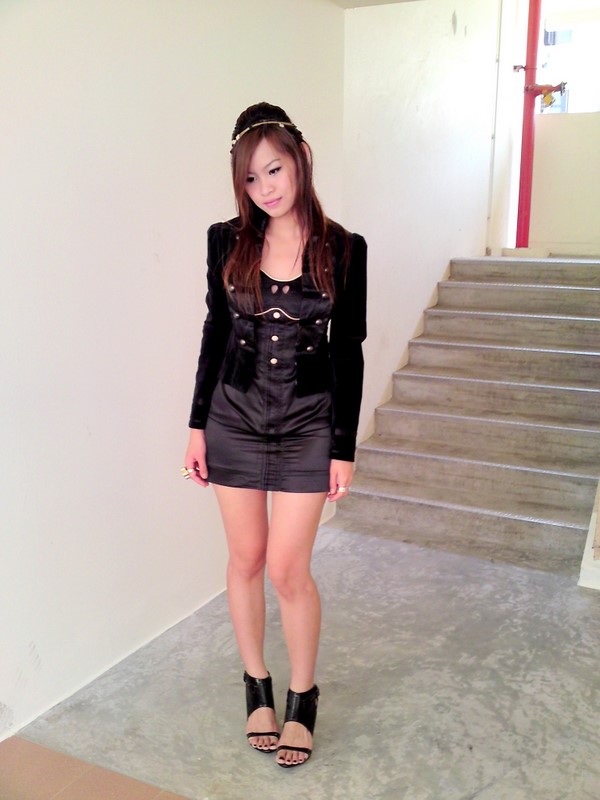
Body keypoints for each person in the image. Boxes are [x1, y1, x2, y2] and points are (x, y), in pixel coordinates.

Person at [182, 102, 367, 768]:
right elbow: (214, 332)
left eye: (275, 169)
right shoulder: (225, 240)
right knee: (247, 559)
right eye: (251, 178)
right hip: (231, 418)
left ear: (302, 158)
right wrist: (197, 427)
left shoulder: (344, 248)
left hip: (309, 425)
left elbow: (347, 350)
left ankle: (302, 696)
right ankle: (256, 685)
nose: (265, 188)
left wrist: (343, 447)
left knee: (289, 569)